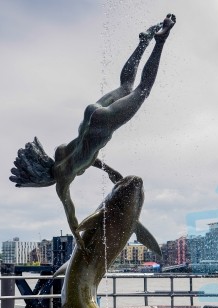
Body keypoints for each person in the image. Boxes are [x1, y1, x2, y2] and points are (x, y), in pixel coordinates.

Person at [10, 14, 176, 250]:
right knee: (126, 86)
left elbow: (72, 216)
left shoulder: (63, 181)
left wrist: (78, 238)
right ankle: (143, 41)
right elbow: (86, 157)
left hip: (103, 124)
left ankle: (160, 40)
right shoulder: (59, 153)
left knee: (141, 90)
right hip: (91, 114)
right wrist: (108, 168)